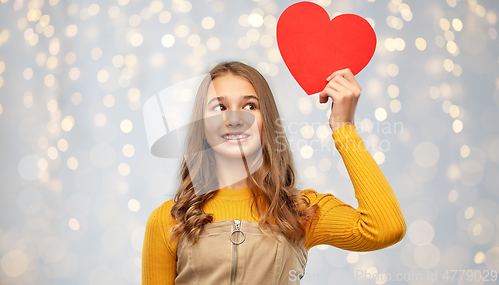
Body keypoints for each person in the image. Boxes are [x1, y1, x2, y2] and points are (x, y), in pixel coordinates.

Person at [142, 61, 406, 284]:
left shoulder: (302, 212)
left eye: (249, 106)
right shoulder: (168, 221)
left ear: (266, 121)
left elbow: (386, 228)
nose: (235, 119)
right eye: (220, 107)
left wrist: (344, 127)